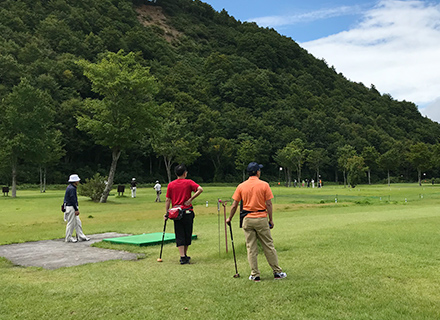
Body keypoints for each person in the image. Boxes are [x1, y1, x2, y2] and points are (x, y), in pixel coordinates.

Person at [226, 162, 286, 282]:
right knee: (268, 246)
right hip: (261, 218)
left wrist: (229, 218)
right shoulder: (264, 185)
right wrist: (271, 219)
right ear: (257, 172)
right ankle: (277, 272)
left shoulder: (241, 186)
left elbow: (234, 205)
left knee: (251, 248)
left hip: (247, 219)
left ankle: (255, 274)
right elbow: (268, 203)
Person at [165, 164, 203, 264]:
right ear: (185, 173)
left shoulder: (171, 184)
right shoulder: (189, 182)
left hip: (176, 213)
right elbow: (200, 189)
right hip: (187, 211)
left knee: (179, 233)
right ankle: (184, 255)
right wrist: (190, 199)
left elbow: (167, 200)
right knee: (187, 233)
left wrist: (167, 212)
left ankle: (183, 256)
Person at [63, 174, 90, 243]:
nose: (78, 181)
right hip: (71, 207)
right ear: (74, 181)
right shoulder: (72, 189)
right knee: (71, 223)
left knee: (78, 222)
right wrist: (76, 209)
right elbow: (73, 200)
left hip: (70, 206)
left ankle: (81, 236)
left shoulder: (70, 187)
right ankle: (68, 237)